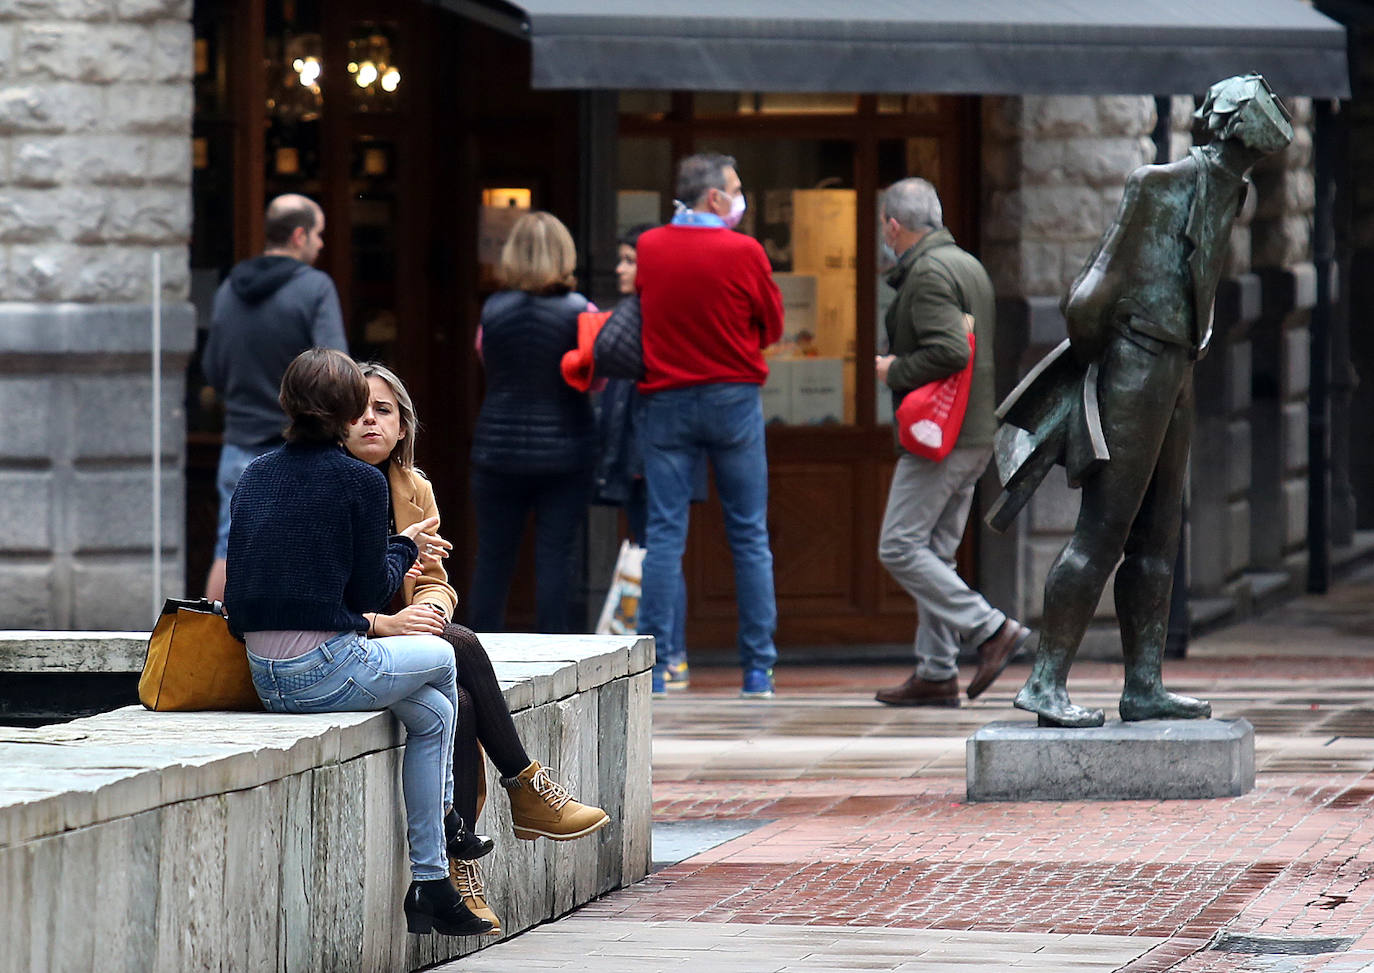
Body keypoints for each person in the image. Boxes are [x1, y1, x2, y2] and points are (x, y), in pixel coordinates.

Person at [1005, 75, 1293, 728]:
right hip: (1137, 365)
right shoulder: (1156, 184)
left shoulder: (1233, 189)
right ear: (1234, 124)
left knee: (1161, 534)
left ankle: (1144, 685)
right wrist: (1113, 359)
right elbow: (1087, 301)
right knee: (1102, 531)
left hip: (1178, 367)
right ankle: (1045, 683)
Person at [224, 348, 490, 938]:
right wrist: (406, 546)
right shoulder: (359, 481)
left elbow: (243, 587)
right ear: (347, 414)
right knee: (445, 655)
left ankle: (432, 884)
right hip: (324, 668)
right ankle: (450, 821)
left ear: (287, 403)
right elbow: (371, 590)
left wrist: (396, 547)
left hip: (264, 673)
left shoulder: (256, 473)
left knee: (434, 713)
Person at [345, 361, 611, 933]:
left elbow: (434, 579)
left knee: (461, 699)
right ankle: (524, 786)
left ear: (401, 426)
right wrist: (394, 621)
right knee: (460, 646)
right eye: (356, 410)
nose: (369, 419)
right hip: (351, 645)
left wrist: (432, 610)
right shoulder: (330, 487)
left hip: (407, 646)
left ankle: (459, 863)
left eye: (383, 410)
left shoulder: (413, 489)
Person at [872, 177, 1031, 709]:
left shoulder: (928, 273)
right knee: (937, 553)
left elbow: (949, 351)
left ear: (894, 226)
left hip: (940, 436)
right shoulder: (965, 264)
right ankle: (937, 672)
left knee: (899, 546)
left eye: (884, 226)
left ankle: (990, 628)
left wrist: (894, 370)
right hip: (973, 432)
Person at [634, 154, 784, 698]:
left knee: (664, 535)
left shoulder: (651, 246)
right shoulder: (745, 251)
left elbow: (646, 312)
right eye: (737, 188)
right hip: (733, 398)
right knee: (749, 533)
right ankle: (757, 670)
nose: (742, 198)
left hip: (667, 400)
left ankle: (654, 669)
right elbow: (773, 325)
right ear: (716, 197)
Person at [202, 193, 346, 601]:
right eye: (319, 234)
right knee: (307, 547)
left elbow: (213, 370)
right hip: (300, 445)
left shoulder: (230, 288)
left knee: (228, 546)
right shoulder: (315, 288)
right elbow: (334, 370)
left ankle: (209, 637)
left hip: (239, 442)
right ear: (299, 235)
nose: (321, 244)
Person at [469, 211, 596, 634]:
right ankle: (554, 652)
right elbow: (596, 379)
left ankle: (479, 651)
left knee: (493, 557)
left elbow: (486, 359)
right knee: (556, 557)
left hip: (497, 448)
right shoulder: (581, 311)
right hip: (565, 450)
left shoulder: (492, 310)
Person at [593, 223, 698, 692]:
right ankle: (669, 652)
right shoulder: (644, 314)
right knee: (656, 547)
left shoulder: (649, 315)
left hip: (651, 452)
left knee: (660, 549)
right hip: (642, 452)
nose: (620, 268)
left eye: (630, 260)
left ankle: (669, 654)